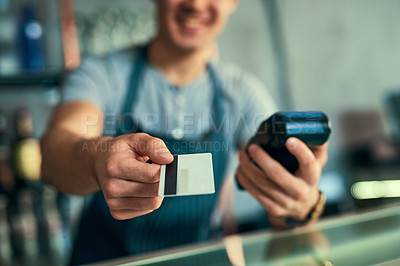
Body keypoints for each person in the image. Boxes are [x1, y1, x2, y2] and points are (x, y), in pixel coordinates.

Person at [41, 0, 329, 264]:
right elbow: (54, 154)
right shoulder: (100, 74)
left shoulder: (242, 94)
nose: (195, 4)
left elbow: (284, 211)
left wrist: (297, 204)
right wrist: (95, 160)